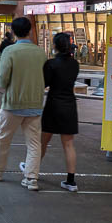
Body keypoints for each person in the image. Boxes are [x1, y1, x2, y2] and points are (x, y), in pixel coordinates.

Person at [0, 17, 47, 191]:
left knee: (3, 137)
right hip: (35, 104)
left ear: (13, 32)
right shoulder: (41, 53)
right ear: (30, 31)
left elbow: (3, 79)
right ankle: (31, 178)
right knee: (34, 143)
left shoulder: (10, 51)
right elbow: (45, 78)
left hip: (13, 103)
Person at [38, 32, 81, 191]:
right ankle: (71, 181)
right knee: (68, 144)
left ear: (55, 46)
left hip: (53, 104)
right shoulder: (75, 64)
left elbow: (44, 83)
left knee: (43, 141)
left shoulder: (51, 64)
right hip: (69, 105)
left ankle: (32, 169)